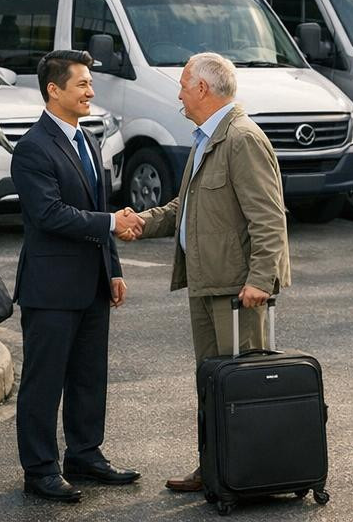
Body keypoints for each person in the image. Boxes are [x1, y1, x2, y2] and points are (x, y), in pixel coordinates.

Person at [128, 52, 291, 494]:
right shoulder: (207, 137)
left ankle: (253, 472)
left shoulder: (241, 138)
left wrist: (261, 278)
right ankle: (216, 467)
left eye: (183, 85)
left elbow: (269, 217)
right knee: (212, 382)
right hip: (206, 282)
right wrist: (144, 222)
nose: (178, 93)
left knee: (243, 387)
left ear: (202, 89)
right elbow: (188, 207)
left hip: (238, 290)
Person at [11, 50, 140, 503]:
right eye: (82, 84)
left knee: (89, 375)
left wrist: (114, 268)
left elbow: (98, 204)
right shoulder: (32, 147)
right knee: (44, 382)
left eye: (90, 83)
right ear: (54, 89)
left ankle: (84, 454)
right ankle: (40, 469)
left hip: (92, 282)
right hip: (49, 288)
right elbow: (48, 214)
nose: (90, 91)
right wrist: (110, 224)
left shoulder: (87, 139)